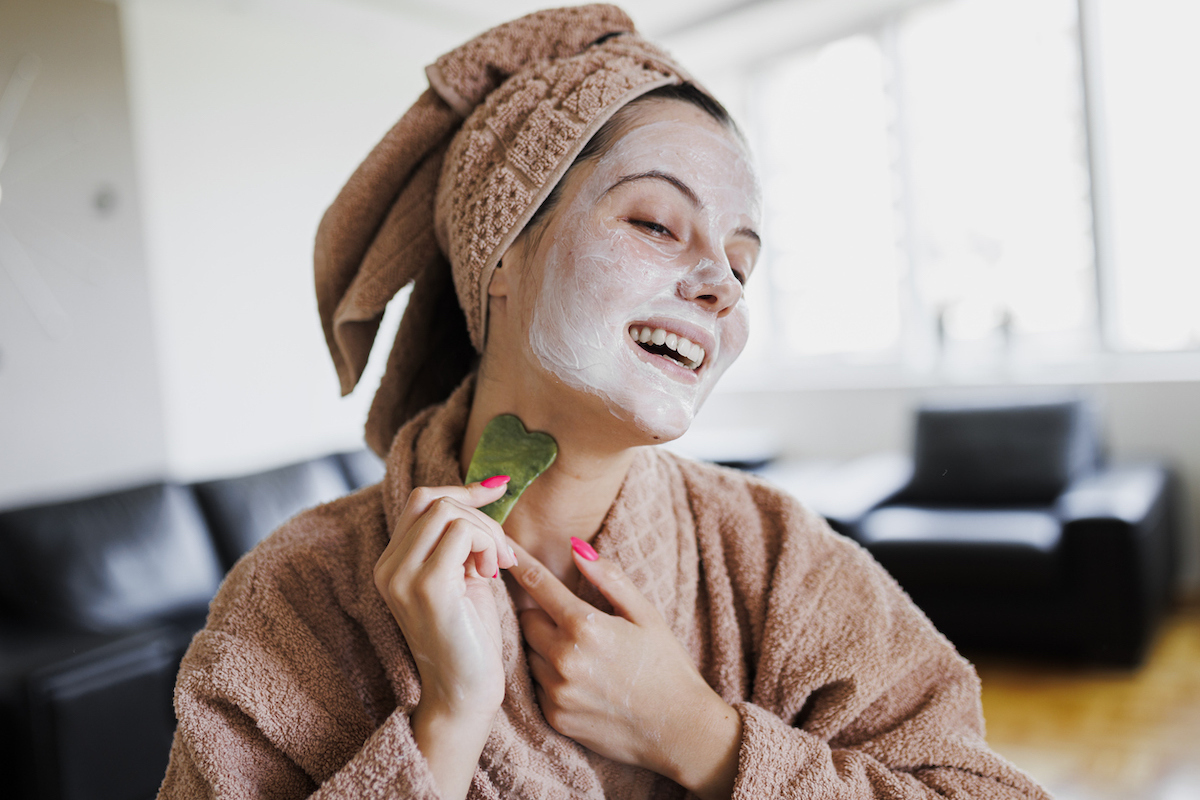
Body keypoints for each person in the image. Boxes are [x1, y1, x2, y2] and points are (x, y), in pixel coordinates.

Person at [158, 6, 1050, 799]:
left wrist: (699, 737)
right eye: (657, 224)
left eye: (741, 263)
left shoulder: (778, 562)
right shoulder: (296, 602)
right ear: (501, 254)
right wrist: (446, 730)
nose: (721, 287)